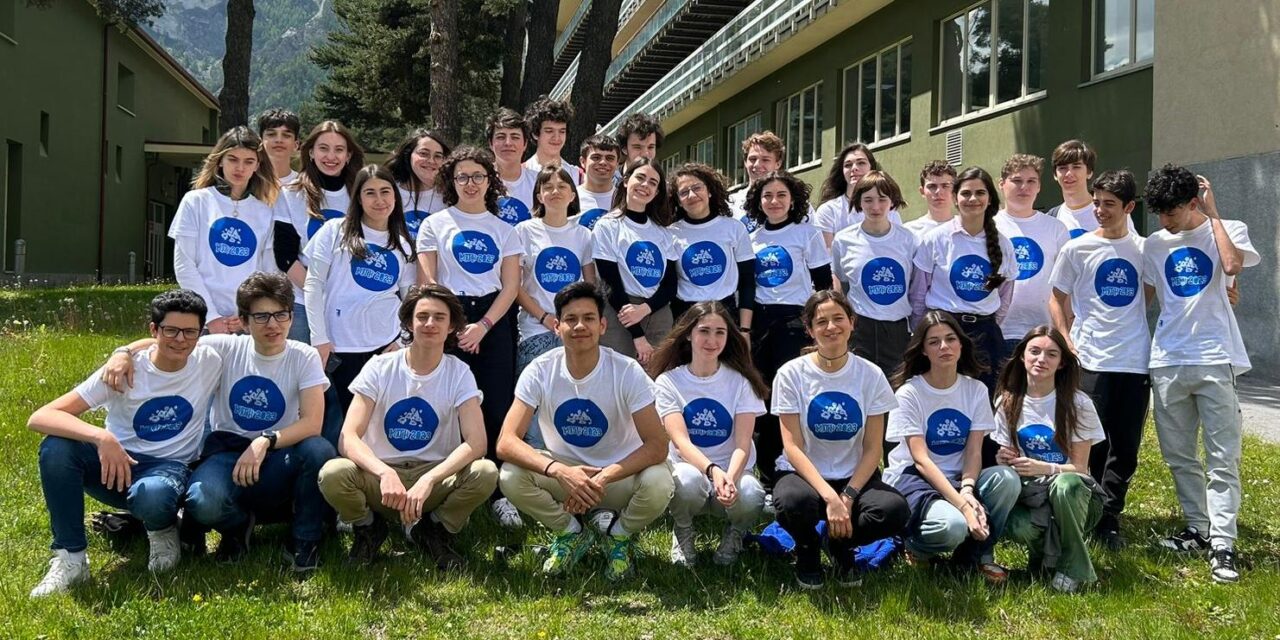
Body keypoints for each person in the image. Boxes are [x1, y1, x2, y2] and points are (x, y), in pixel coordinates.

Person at [100, 273, 335, 572]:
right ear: (244, 321)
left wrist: (266, 440)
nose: (273, 325)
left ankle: (305, 541)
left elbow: (313, 423)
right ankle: (237, 526)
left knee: (318, 449)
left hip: (277, 455)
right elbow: (171, 338)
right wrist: (123, 352)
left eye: (281, 314)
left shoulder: (304, 356)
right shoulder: (226, 347)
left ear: (291, 317)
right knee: (202, 501)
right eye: (261, 316)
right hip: (226, 452)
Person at [27, 290, 222, 597]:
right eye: (170, 330)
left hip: (168, 470)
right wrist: (101, 437)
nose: (181, 340)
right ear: (154, 330)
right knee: (56, 448)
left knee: (153, 496)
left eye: (190, 332)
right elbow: (41, 416)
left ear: (201, 333)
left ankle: (162, 531)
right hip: (114, 464)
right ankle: (71, 558)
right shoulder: (125, 371)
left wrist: (123, 348)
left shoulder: (208, 359)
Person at [496, 282, 674, 581]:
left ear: (603, 326)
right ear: (557, 326)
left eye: (589, 318)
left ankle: (618, 536)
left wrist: (602, 477)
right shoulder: (540, 370)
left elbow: (658, 445)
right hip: (566, 476)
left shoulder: (627, 371)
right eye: (570, 319)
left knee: (659, 480)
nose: (580, 326)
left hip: (617, 477)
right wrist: (560, 472)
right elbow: (506, 442)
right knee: (510, 475)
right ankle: (570, 532)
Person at [318, 285, 498, 569]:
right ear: (407, 323)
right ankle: (368, 528)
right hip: (382, 480)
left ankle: (434, 530)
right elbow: (348, 436)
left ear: (451, 326)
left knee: (485, 472)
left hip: (432, 480)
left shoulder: (459, 372)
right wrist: (384, 472)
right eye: (422, 316)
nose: (429, 324)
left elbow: (477, 443)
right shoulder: (379, 367)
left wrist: (429, 480)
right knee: (333, 473)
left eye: (439, 317)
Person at [1142, 165, 1259, 583]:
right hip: (1168, 358)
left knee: (1223, 455)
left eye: (1171, 212)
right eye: (1158, 214)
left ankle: (1224, 543)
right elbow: (1145, 297)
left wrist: (1214, 214)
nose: (1164, 222)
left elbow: (1231, 265)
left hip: (1214, 355)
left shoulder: (1226, 229)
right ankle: (1198, 527)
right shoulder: (1155, 244)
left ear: (1193, 202)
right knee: (1178, 455)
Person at [771, 292, 910, 588]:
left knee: (894, 509)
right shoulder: (790, 374)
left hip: (854, 476)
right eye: (821, 321)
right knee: (792, 502)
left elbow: (874, 449)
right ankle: (808, 549)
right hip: (805, 475)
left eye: (838, 319)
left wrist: (846, 495)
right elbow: (792, 447)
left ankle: (840, 545)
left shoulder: (870, 375)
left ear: (852, 323)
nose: (831, 327)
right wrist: (830, 497)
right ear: (809, 329)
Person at [415, 146, 523, 527]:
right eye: (462, 176)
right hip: (448, 316)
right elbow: (427, 279)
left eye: (478, 176)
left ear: (489, 181)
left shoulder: (504, 230)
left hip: (493, 321)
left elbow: (511, 287)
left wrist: (483, 327)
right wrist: (455, 324)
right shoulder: (435, 224)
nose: (471, 183)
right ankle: (444, 484)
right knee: (448, 404)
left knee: (495, 406)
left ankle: (495, 492)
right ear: (451, 181)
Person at [1048, 169, 1149, 549]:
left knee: (1126, 444)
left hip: (1135, 359)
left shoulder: (1144, 249)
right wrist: (1067, 339)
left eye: (1109, 204)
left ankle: (1109, 517)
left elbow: (1151, 293)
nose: (1100, 211)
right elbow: (1057, 296)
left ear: (1129, 207)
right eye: (1096, 203)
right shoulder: (1078, 248)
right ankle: (1083, 507)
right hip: (1090, 358)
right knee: (1092, 440)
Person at [883, 311, 1020, 583]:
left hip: (961, 476)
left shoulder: (976, 389)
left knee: (1008, 479)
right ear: (922, 350)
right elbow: (920, 460)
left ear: (961, 344)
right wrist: (964, 506)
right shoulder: (909, 392)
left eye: (950, 339)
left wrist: (968, 489)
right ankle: (916, 548)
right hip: (916, 477)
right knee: (953, 526)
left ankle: (979, 554)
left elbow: (973, 451)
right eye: (934, 342)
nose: (944, 347)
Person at [649, 301, 768, 566]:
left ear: (729, 337)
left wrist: (729, 477)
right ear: (689, 333)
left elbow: (742, 443)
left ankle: (736, 533)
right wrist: (713, 471)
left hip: (732, 472)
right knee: (685, 481)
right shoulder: (668, 382)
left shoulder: (741, 382)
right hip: (692, 470)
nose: (711, 340)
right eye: (704, 331)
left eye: (720, 332)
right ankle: (682, 529)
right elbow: (680, 441)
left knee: (751, 494)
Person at [304, 164, 417, 436]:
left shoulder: (403, 243)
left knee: (376, 428)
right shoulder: (334, 230)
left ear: (395, 197)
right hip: (339, 347)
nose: (379, 200)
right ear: (358, 198)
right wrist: (319, 338)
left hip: (384, 347)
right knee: (338, 427)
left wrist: (401, 340)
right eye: (370, 193)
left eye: (385, 192)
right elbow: (313, 283)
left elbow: (410, 299)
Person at [992, 326, 1107, 593]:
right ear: (1022, 356)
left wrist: (1043, 467)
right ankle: (1047, 558)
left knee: (1066, 485)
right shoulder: (1006, 402)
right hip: (1033, 496)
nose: (1041, 359)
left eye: (1051, 354)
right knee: (1015, 525)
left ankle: (1074, 568)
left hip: (1076, 497)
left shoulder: (1078, 404)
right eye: (1034, 351)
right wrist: (1003, 458)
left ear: (1062, 362)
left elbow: (1080, 468)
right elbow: (1009, 460)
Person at [746, 170, 832, 488]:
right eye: (767, 195)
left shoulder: (806, 234)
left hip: (794, 323)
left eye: (781, 195)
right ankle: (768, 476)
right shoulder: (751, 238)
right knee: (764, 398)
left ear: (792, 199)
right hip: (759, 324)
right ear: (758, 201)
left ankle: (798, 468)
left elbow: (823, 283)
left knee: (794, 397)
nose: (774, 201)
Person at [910, 166, 1018, 393]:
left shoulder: (1004, 244)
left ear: (990, 199)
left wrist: (986, 322)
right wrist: (922, 334)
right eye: (966, 193)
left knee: (984, 404)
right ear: (955, 198)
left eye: (980, 193)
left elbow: (1005, 296)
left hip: (985, 336)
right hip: (943, 332)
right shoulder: (935, 239)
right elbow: (919, 293)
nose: (973, 199)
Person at [168, 126, 280, 335]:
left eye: (248, 161)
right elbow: (184, 264)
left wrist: (247, 314)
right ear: (220, 161)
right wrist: (211, 317)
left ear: (258, 165)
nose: (240, 168)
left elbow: (267, 271)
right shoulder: (196, 201)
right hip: (199, 318)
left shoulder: (265, 212)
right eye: (233, 159)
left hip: (245, 322)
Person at [275, 120, 365, 343]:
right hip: (303, 304)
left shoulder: (362, 193)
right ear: (311, 152)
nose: (331, 157)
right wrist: (318, 295)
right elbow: (285, 256)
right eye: (323, 148)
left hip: (351, 304)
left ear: (349, 155)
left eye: (339, 150)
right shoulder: (291, 194)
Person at [591, 157, 678, 363]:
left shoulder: (663, 232)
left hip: (657, 312)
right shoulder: (607, 226)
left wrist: (645, 309)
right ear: (626, 180)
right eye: (640, 178)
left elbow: (670, 284)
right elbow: (609, 283)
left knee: (656, 384)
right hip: (620, 312)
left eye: (653, 182)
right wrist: (637, 334)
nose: (645, 185)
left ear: (657, 192)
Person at [831, 171, 916, 379]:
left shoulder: (909, 239)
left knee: (896, 390)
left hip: (897, 329)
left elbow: (915, 284)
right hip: (860, 328)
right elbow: (841, 283)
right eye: (868, 200)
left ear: (892, 202)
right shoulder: (844, 240)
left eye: (882, 199)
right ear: (858, 202)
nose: (875, 207)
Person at [515, 165, 597, 379]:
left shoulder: (584, 235)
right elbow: (514, 286)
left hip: (574, 330)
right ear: (539, 196)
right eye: (548, 187)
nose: (555, 191)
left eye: (562, 186)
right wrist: (544, 317)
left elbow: (590, 287)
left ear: (572, 195)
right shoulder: (523, 231)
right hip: (535, 330)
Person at [994, 154, 1070, 356]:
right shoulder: (988, 226)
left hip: (1044, 333)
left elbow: (1066, 286)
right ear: (1001, 184)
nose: (1024, 187)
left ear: (1039, 187)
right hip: (998, 332)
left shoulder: (1056, 229)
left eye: (1031, 181)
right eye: (1017, 181)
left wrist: (1066, 332)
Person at [667, 162, 756, 324]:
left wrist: (745, 329)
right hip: (685, 315)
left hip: (727, 313)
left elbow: (747, 281)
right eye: (684, 192)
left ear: (709, 191)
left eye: (697, 187)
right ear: (679, 201)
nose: (692, 195)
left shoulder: (734, 228)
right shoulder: (670, 234)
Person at [813, 142, 903, 249]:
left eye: (861, 163)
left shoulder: (889, 211)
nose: (854, 168)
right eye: (848, 165)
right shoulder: (828, 211)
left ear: (872, 167)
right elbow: (827, 257)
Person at [387, 129, 451, 239]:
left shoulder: (451, 195)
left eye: (438, 156)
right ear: (408, 155)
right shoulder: (388, 190)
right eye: (424, 154)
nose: (431, 161)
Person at [487, 108, 539, 227]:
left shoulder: (539, 182)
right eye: (501, 137)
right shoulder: (478, 181)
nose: (508, 143)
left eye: (515, 137)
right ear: (490, 143)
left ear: (525, 144)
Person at [728, 131, 784, 231]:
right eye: (753, 159)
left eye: (765, 160)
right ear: (745, 162)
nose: (757, 164)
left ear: (778, 164)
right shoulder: (731, 203)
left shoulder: (794, 201)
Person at [523, 96, 583, 183]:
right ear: (535, 133)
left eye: (562, 131)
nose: (556, 137)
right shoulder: (520, 174)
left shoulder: (578, 176)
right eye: (549, 131)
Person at [573, 134, 622, 230]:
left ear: (617, 164)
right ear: (583, 161)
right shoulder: (569, 199)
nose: (603, 162)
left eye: (610, 158)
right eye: (596, 157)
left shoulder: (624, 200)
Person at [904, 160, 956, 238]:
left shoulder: (966, 229)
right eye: (932, 186)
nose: (939, 191)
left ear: (955, 190)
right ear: (922, 192)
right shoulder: (909, 232)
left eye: (945, 186)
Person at [256, 108, 301, 185]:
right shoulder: (247, 182)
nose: (279, 140)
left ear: (296, 145)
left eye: (286, 135)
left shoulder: (305, 186)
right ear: (261, 142)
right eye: (271, 134)